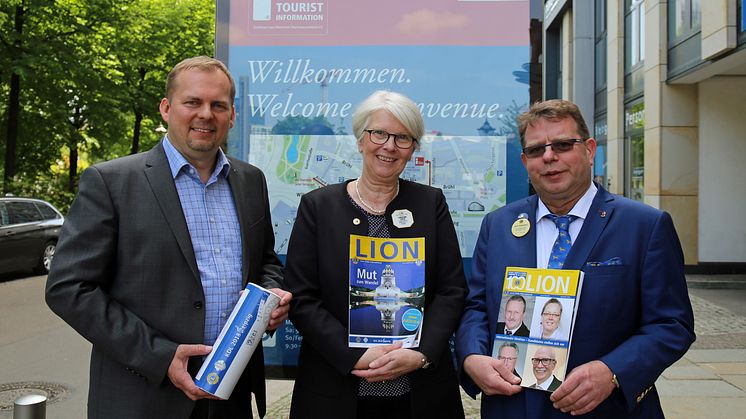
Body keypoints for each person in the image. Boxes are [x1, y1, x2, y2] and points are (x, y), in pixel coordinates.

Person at [45, 56, 292, 419]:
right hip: (144, 395)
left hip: (230, 393)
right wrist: (159, 355)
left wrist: (272, 296)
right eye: (192, 102)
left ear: (232, 115)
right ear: (166, 108)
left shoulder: (250, 179)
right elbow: (68, 288)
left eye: (218, 105)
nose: (205, 114)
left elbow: (266, 260)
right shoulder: (111, 182)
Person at [455, 99, 695, 417]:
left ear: (590, 150)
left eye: (563, 144)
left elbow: (672, 324)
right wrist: (471, 356)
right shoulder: (498, 224)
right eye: (537, 150)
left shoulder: (645, 226)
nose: (550, 157)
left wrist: (612, 371)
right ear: (525, 161)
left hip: (605, 409)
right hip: (513, 405)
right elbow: (476, 308)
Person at [283, 90, 466, 419]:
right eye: (379, 133)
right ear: (360, 140)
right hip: (334, 389)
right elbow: (302, 296)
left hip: (419, 390)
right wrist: (354, 354)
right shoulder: (318, 206)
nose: (389, 146)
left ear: (412, 148)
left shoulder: (431, 203)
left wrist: (422, 353)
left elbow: (452, 290)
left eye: (403, 137)